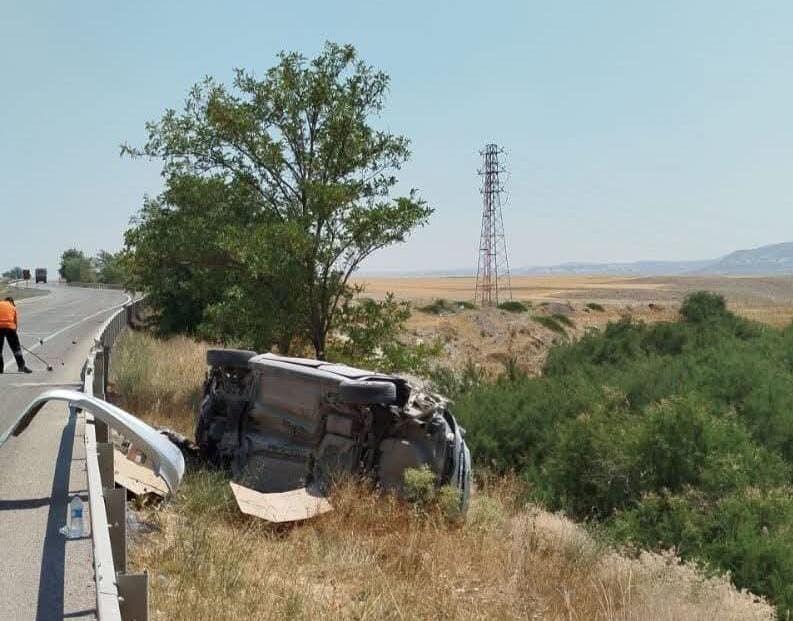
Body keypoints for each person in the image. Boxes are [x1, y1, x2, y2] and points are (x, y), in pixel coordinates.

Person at [0, 296, 32, 373]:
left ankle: (0, 369)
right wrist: (14, 337)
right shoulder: (13, 307)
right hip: (10, 327)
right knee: (16, 349)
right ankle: (21, 366)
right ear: (11, 302)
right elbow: (15, 323)